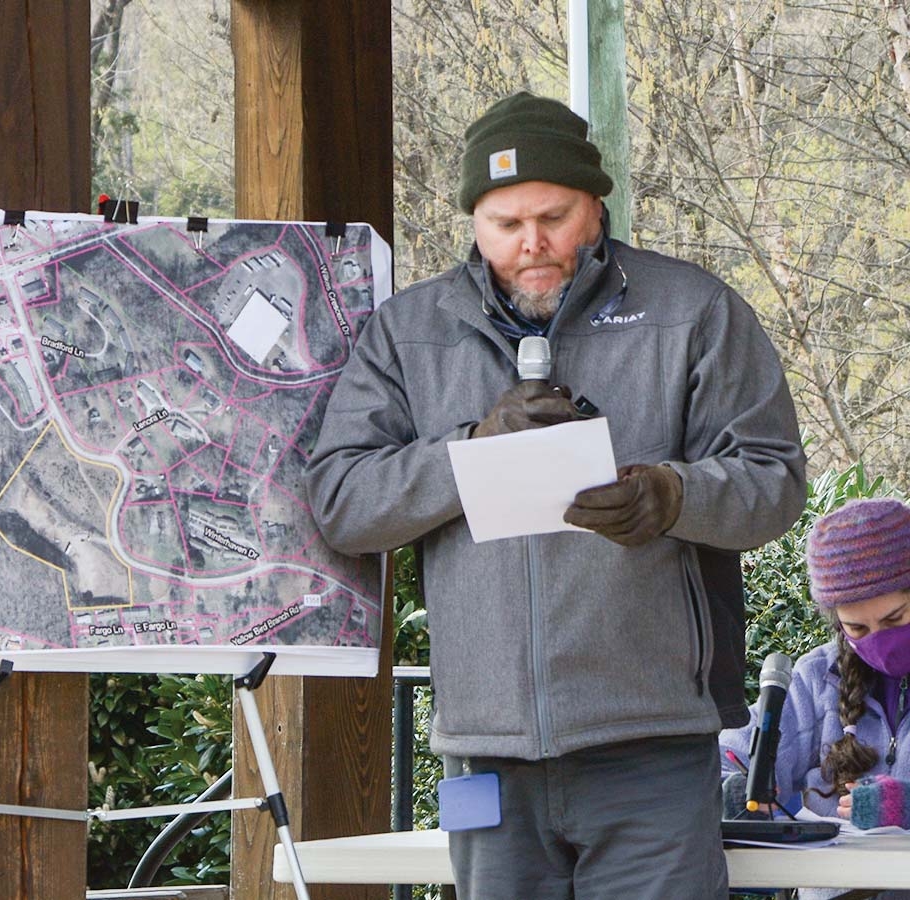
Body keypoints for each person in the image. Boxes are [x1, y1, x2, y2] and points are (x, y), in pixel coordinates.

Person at [305, 91, 806, 900]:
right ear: (473, 221)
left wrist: (674, 495)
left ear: (596, 206)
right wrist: (466, 453)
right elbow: (340, 501)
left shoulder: (693, 312)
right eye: (505, 224)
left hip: (650, 743)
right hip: (483, 752)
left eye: (554, 216)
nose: (531, 243)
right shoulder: (406, 332)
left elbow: (775, 480)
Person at [721, 498, 910, 899]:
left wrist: (905, 808)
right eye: (856, 628)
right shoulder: (816, 679)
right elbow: (726, 757)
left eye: (895, 619)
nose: (878, 639)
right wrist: (734, 790)